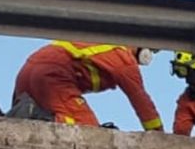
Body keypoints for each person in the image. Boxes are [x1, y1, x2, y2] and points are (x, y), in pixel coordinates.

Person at [9, 40, 165, 131]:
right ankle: (36, 115)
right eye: (151, 51)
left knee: (20, 123)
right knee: (87, 130)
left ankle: (2, 117)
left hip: (28, 70)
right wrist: (158, 135)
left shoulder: (102, 42)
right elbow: (140, 100)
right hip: (53, 74)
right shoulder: (123, 57)